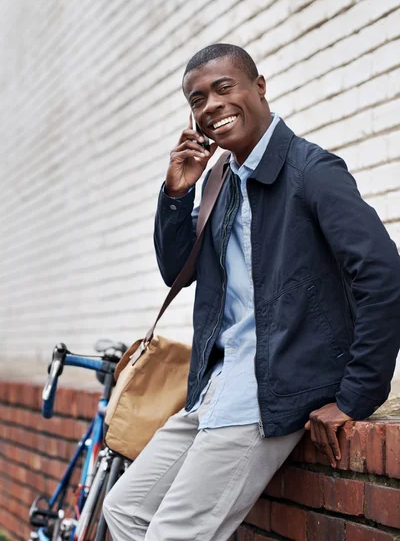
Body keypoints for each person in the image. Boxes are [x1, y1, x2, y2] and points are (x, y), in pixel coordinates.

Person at [103, 43, 400, 540]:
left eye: (224, 88)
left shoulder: (311, 170)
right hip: (215, 388)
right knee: (124, 509)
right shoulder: (221, 179)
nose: (211, 106)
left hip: (270, 392)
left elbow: (383, 273)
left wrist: (357, 395)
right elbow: (177, 270)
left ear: (259, 88)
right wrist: (177, 194)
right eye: (197, 100)